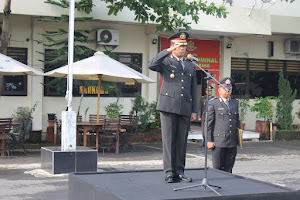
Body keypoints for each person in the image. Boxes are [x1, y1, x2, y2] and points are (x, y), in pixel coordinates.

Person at [148, 32, 197, 183]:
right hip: (168, 106)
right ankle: (169, 172)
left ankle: (179, 171)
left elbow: (193, 88)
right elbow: (151, 64)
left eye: (184, 46)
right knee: (169, 141)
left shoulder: (189, 64)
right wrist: (167, 51)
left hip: (185, 107)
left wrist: (194, 110)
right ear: (173, 47)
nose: (183, 49)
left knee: (181, 142)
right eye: (179, 46)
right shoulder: (166, 62)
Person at [206, 77, 240, 173]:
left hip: (232, 141)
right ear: (219, 90)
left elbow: (237, 121)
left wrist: (239, 138)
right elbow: (208, 123)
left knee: (229, 169)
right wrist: (209, 140)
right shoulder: (214, 103)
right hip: (219, 142)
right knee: (217, 169)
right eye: (225, 89)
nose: (227, 92)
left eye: (229, 90)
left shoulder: (234, 103)